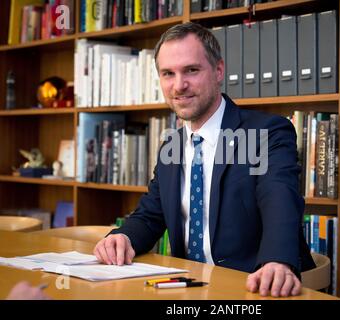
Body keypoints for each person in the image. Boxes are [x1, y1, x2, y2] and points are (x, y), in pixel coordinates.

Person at [94, 22, 315, 298]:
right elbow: (151, 215)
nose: (179, 85)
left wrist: (277, 261)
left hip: (253, 289)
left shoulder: (266, 133)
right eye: (167, 74)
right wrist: (122, 237)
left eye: (191, 70)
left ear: (218, 70)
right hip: (186, 290)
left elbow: (279, 197)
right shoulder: (171, 145)